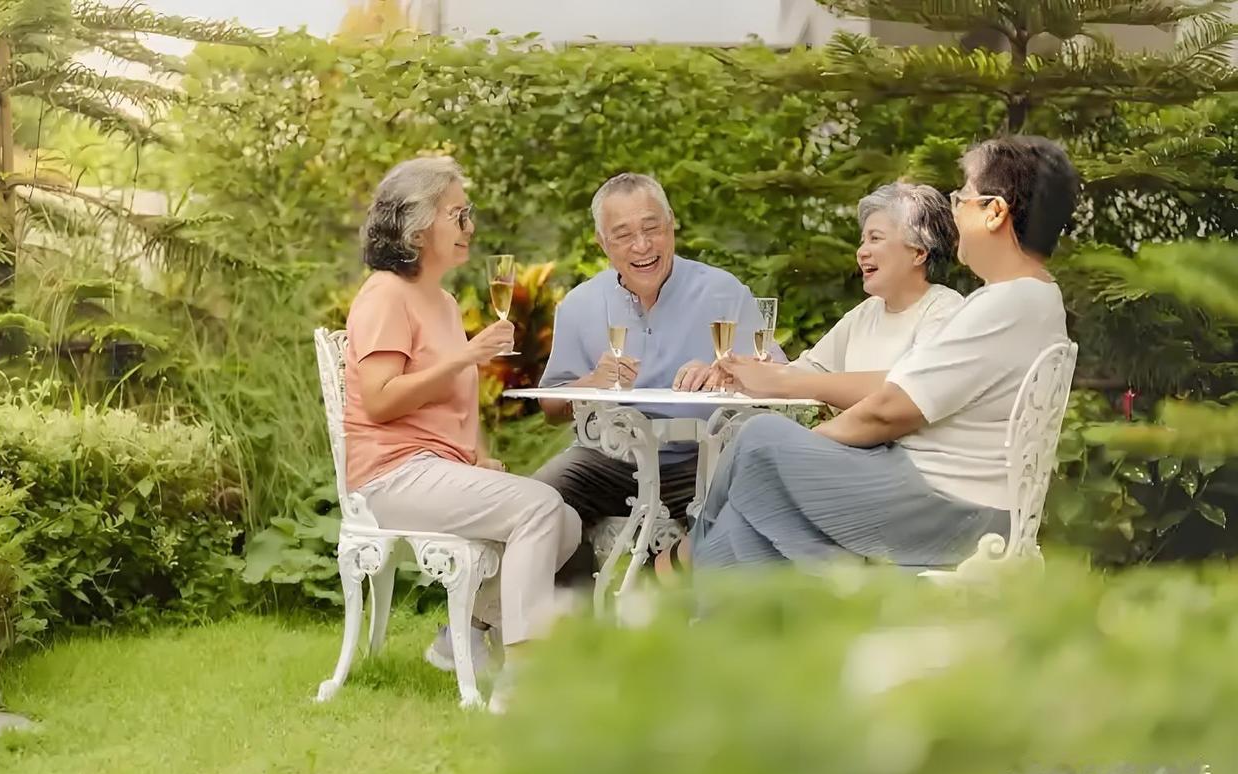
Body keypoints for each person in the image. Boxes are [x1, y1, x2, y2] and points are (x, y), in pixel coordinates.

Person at [689, 135, 1080, 572]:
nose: (953, 211)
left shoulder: (1003, 304)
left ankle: (680, 565)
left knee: (759, 440)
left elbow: (888, 411)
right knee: (746, 527)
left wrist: (800, 453)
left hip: (944, 507)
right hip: (942, 496)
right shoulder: (1027, 298)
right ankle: (714, 607)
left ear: (995, 212)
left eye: (961, 198)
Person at [342, 156, 580, 710]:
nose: (470, 226)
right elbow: (380, 401)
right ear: (419, 224)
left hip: (435, 469)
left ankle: (465, 630)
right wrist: (465, 357)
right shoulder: (384, 295)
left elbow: (453, 407)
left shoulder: (443, 301)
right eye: (459, 214)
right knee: (542, 508)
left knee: (565, 521)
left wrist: (478, 456)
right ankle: (521, 672)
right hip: (391, 476)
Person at [531, 172, 786, 582]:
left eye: (652, 228)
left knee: (761, 505)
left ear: (671, 225)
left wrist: (729, 370)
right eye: (624, 234)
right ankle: (572, 622)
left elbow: (776, 376)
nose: (642, 245)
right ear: (603, 243)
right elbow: (551, 406)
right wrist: (592, 382)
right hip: (608, 460)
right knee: (538, 500)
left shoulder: (722, 291)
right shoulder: (580, 304)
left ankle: (678, 598)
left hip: (702, 460)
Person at [691, 182, 963, 409]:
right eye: (862, 241)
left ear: (919, 252)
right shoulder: (866, 313)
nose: (862, 251)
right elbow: (806, 371)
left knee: (758, 441)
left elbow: (909, 388)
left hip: (908, 461)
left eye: (875, 238)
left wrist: (782, 382)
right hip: (853, 451)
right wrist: (743, 372)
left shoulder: (944, 310)